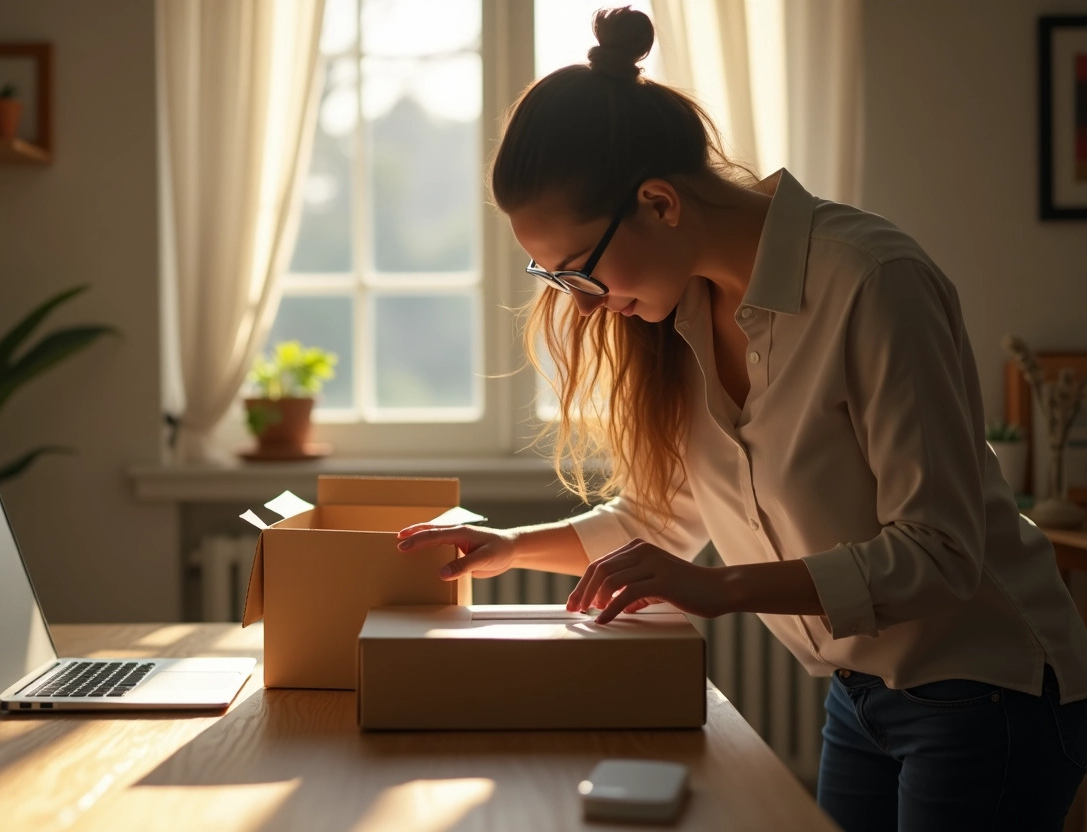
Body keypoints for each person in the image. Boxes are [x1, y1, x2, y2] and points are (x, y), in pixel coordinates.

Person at [395, 6, 1087, 831]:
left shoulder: (873, 282)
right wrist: (509, 551)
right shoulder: (680, 316)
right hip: (860, 692)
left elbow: (939, 552)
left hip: (985, 683)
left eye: (579, 271)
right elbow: (663, 519)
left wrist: (721, 588)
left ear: (659, 203)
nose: (585, 302)